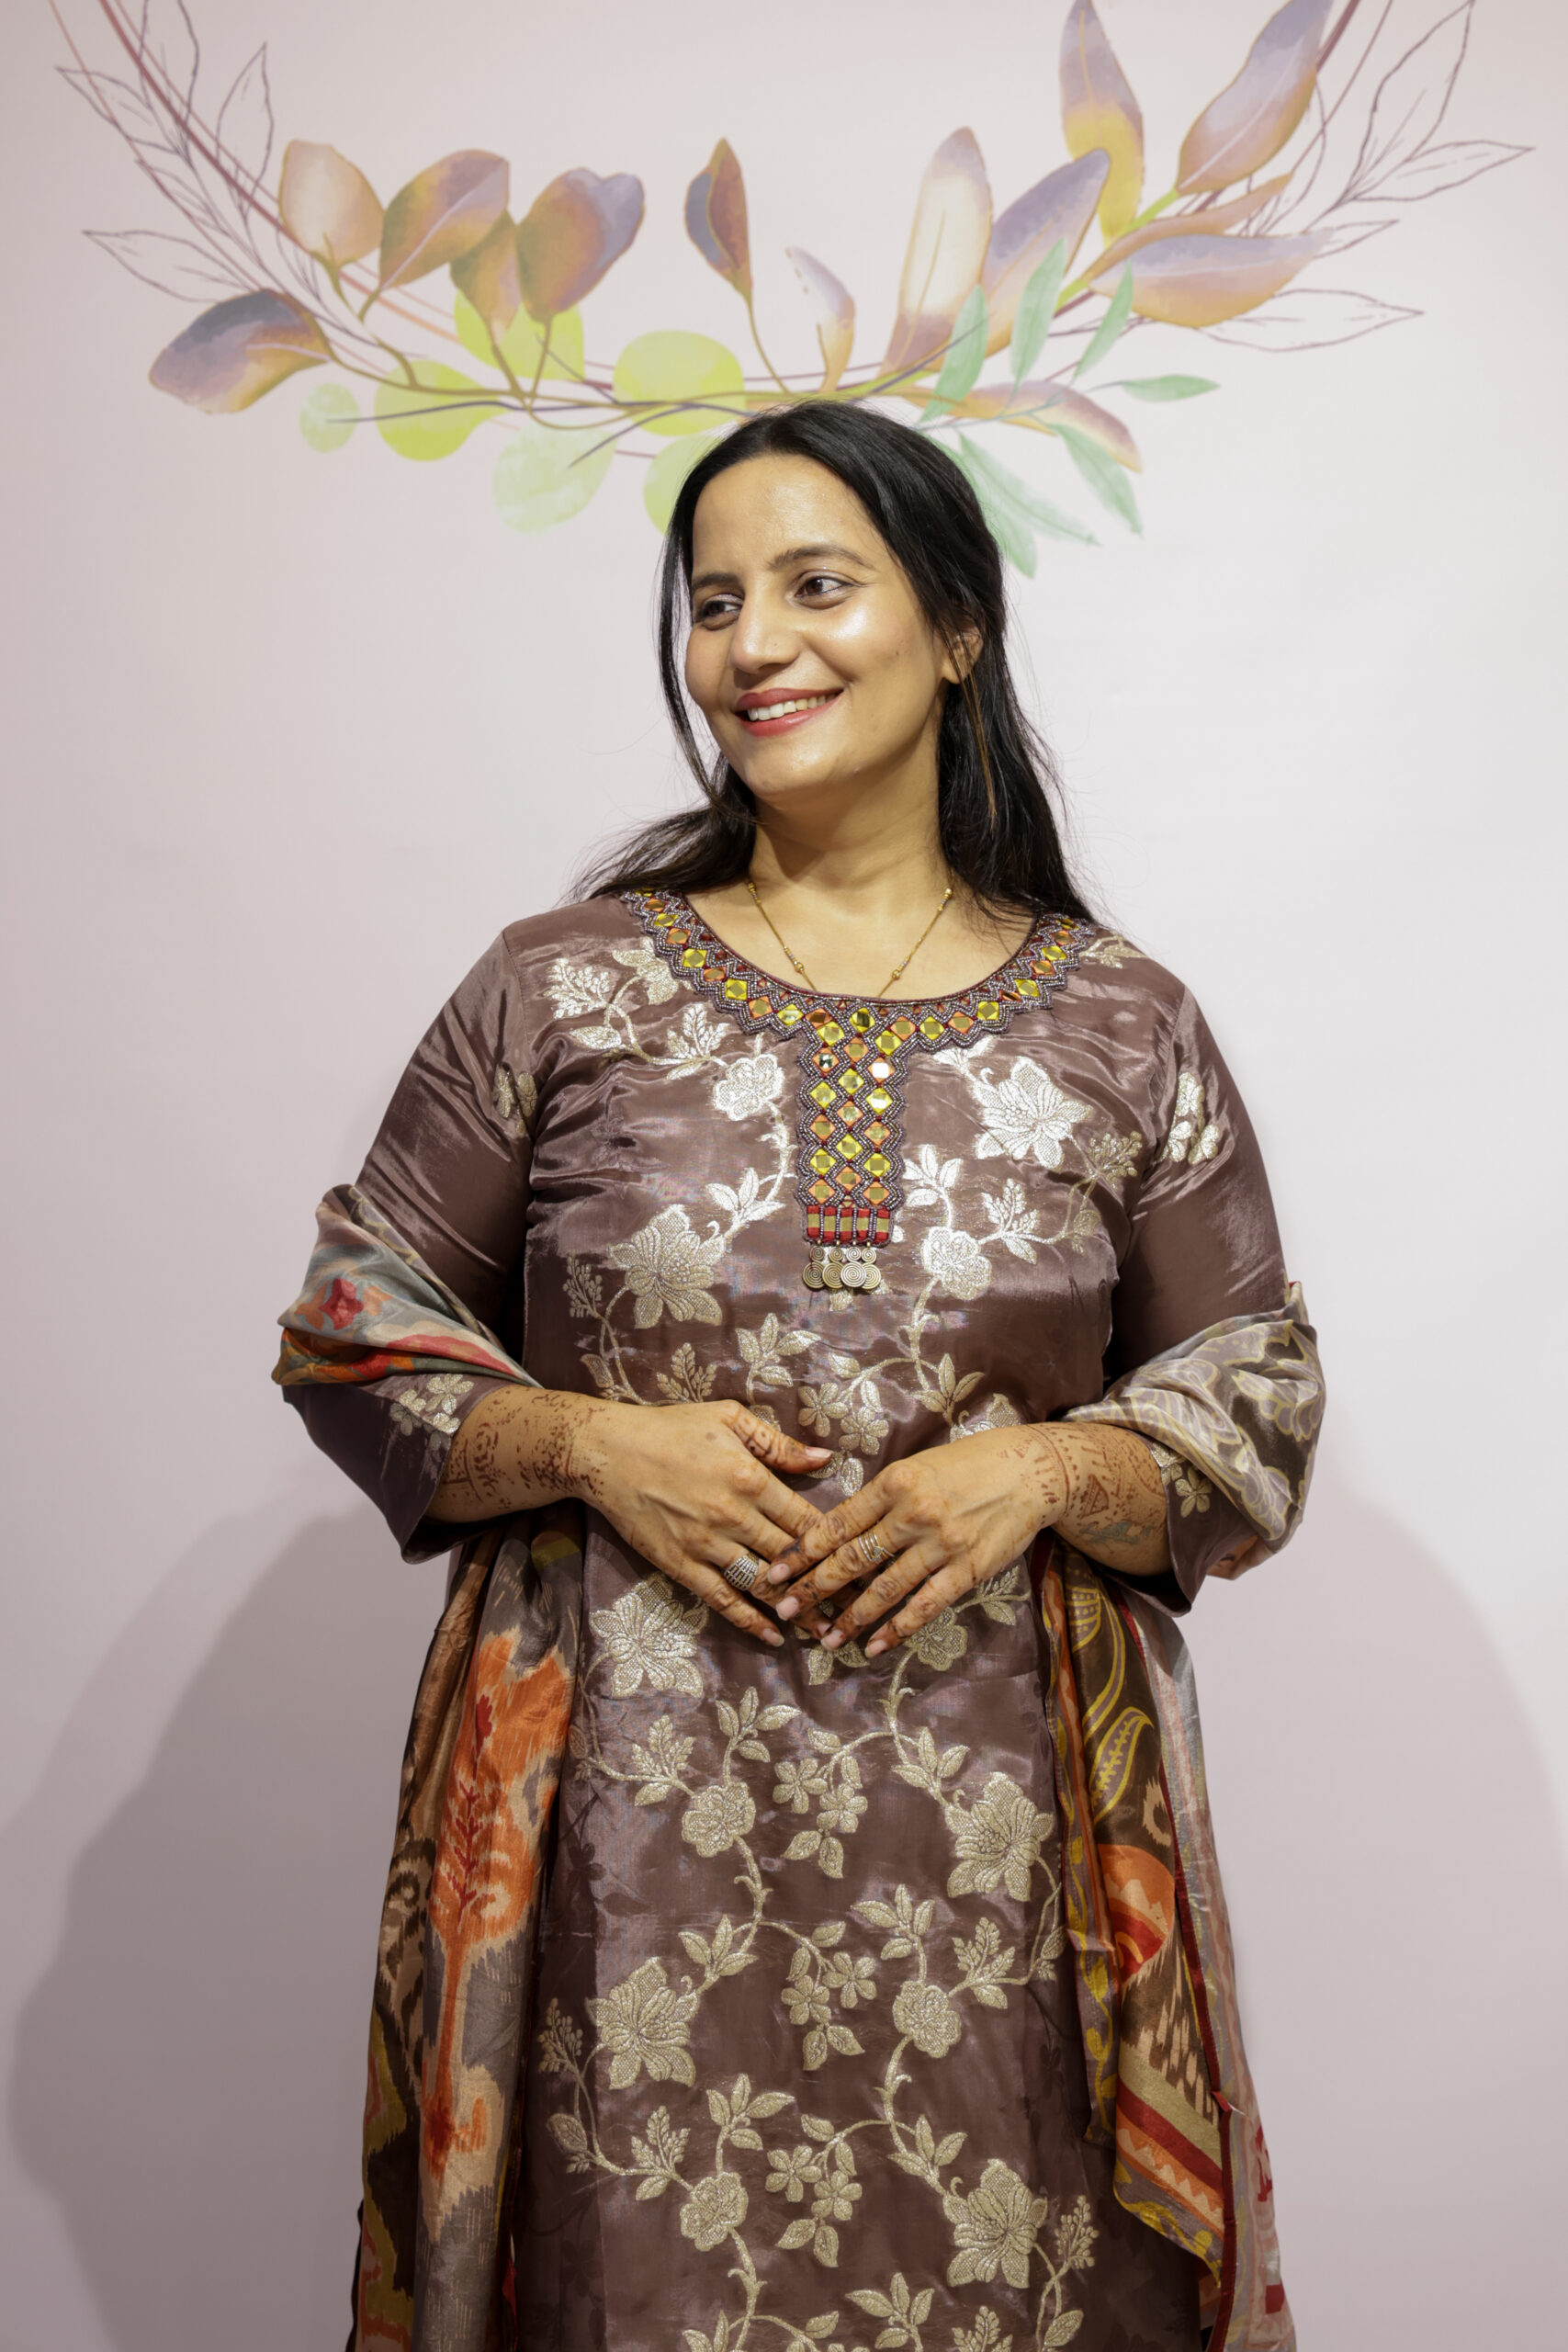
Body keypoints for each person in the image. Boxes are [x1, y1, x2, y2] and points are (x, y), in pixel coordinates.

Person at [276, 402, 1323, 2352]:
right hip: (623, 1850)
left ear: (955, 629)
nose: (753, 644)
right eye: (712, 602)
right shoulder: (559, 987)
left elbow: (1255, 1390)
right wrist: (586, 1441)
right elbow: (353, 1319)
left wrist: (1045, 1471)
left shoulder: (1121, 1022)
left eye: (815, 586)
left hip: (1012, 1866)